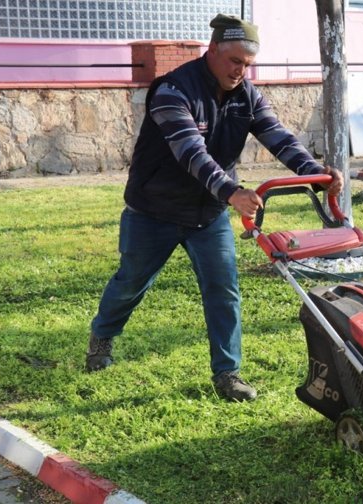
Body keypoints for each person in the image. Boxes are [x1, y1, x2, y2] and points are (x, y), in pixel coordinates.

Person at [85, 14, 343, 402]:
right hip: (153, 209)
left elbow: (278, 137)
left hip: (208, 213)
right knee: (131, 282)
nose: (240, 71)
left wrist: (314, 173)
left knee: (223, 290)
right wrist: (231, 191)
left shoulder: (247, 95)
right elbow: (191, 152)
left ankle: (228, 373)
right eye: (234, 61)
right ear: (212, 51)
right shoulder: (172, 90)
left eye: (247, 65)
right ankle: (101, 339)